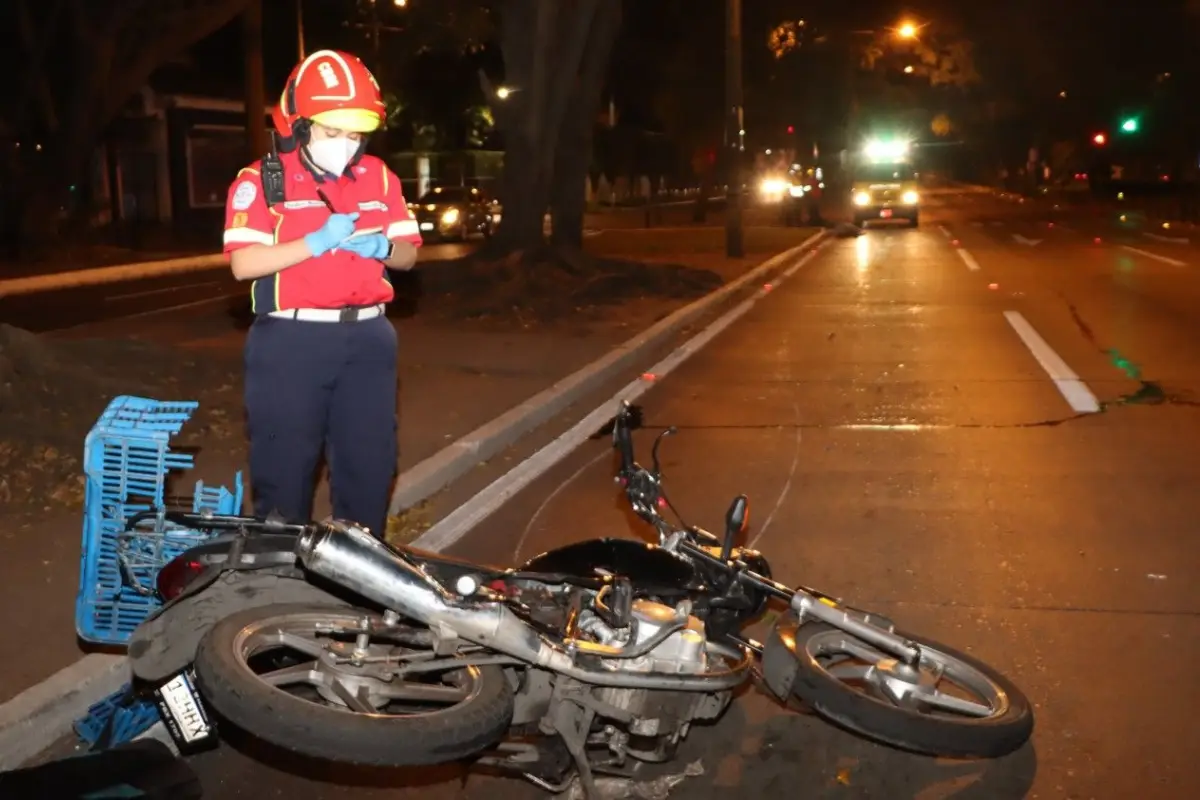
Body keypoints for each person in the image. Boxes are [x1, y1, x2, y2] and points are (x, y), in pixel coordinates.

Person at [221, 49, 422, 539]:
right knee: (284, 476)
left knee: (369, 470)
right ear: (299, 124)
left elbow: (409, 256)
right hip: (291, 343)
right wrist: (314, 242)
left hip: (369, 339)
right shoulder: (262, 181)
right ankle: (281, 586)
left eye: (354, 135)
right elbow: (244, 264)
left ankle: (359, 584)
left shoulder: (378, 176)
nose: (345, 145)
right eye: (333, 132)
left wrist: (385, 246)